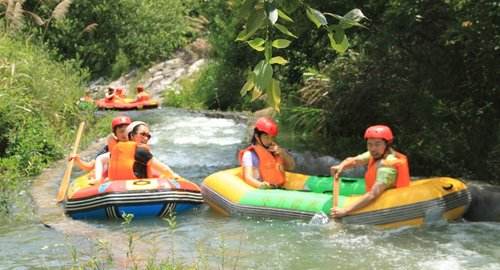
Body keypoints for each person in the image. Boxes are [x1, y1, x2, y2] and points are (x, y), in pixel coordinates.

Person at [330, 125, 411, 218]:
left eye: (377, 144)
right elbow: (355, 161)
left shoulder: (388, 166)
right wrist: (341, 166)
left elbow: (373, 194)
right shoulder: (378, 153)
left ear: (387, 144)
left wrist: (345, 210)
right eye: (370, 144)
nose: (372, 148)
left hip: (388, 206)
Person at [94, 121, 179, 181]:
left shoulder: (117, 149)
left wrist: (98, 179)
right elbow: (163, 169)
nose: (146, 138)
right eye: (142, 134)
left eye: (148, 136)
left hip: (115, 188)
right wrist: (173, 176)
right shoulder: (140, 151)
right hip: (136, 189)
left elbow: (100, 159)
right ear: (132, 135)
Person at [239, 117, 295, 189]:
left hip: (279, 187)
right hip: (263, 191)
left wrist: (282, 152)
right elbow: (248, 177)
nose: (270, 141)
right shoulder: (249, 155)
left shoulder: (275, 150)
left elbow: (291, 167)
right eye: (266, 137)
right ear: (257, 136)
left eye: (272, 137)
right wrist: (261, 185)